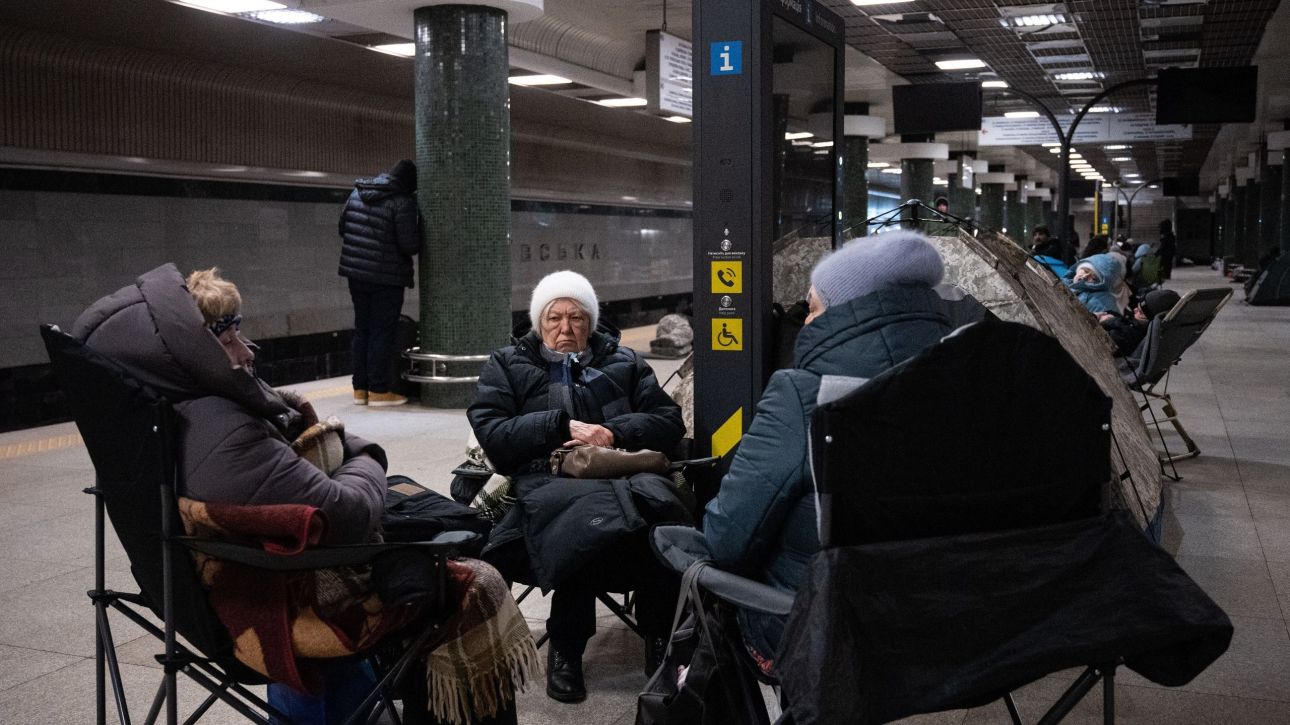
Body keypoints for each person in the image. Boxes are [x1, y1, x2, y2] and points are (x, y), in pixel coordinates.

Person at [71, 264, 533, 725]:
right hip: (273, 607)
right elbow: (348, 512)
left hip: (218, 588)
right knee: (469, 577)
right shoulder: (224, 433)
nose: (247, 348)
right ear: (188, 353)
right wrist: (368, 455)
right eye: (227, 334)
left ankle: (353, 709)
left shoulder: (171, 418)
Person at [701, 231, 986, 675]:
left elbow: (728, 542)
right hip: (951, 632)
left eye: (813, 308)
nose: (806, 323)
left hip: (822, 635)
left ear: (847, 313)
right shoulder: (972, 386)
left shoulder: (804, 395)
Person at [467, 270, 687, 704]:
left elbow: (667, 422)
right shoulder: (508, 365)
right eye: (554, 318)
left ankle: (660, 639)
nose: (565, 329)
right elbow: (493, 432)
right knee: (580, 520)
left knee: (660, 515)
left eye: (577, 319)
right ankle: (566, 647)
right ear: (538, 322)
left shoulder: (624, 362)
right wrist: (558, 426)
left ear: (591, 322)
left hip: (624, 476)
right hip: (546, 482)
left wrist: (612, 432)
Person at [339, 158, 422, 407]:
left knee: (362, 329)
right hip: (386, 277)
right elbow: (411, 244)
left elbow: (343, 228)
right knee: (381, 332)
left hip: (356, 274)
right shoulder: (402, 201)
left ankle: (360, 388)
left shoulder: (357, 193)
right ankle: (379, 390)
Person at [1098, 289, 1181, 357]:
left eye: (1140, 312)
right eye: (1137, 307)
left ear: (1150, 320)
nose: (1134, 310)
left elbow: (1098, 342)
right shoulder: (1146, 332)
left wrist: (1103, 321)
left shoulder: (1129, 337)